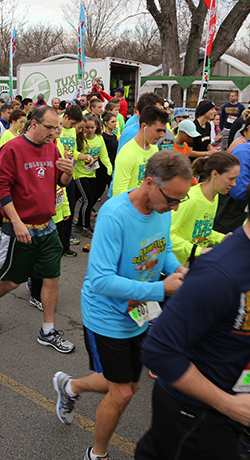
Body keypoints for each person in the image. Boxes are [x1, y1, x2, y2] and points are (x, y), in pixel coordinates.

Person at [136, 161, 250, 460]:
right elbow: (159, 352)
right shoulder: (218, 274)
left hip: (235, 405)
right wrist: (226, 403)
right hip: (194, 416)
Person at [52, 151, 191, 460]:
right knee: (122, 391)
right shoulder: (115, 214)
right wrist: (160, 288)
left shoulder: (163, 208)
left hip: (140, 311)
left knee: (128, 386)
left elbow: (162, 249)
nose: (175, 207)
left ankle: (70, 386)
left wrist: (177, 268)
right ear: (150, 182)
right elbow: (100, 280)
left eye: (181, 200)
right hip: (107, 315)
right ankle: (97, 454)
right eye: (172, 199)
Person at [0, 105, 77, 352]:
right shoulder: (12, 148)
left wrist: (68, 173)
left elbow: (58, 182)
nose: (55, 133)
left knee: (52, 279)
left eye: (57, 128)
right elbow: (1, 188)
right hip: (21, 228)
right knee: (12, 282)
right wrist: (17, 222)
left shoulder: (52, 148)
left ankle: (48, 330)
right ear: (33, 124)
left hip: (48, 227)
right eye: (50, 128)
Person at [170, 152, 239, 265]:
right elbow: (167, 234)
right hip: (173, 267)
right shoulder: (190, 200)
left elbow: (200, 231)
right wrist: (197, 250)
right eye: (230, 179)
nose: (234, 184)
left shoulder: (214, 196)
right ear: (215, 174)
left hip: (191, 263)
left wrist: (221, 238)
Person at [111, 105, 169, 197]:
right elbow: (119, 194)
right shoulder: (127, 153)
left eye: (163, 131)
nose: (162, 135)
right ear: (144, 126)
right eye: (158, 130)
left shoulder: (154, 148)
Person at [73, 115, 112, 238]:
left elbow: (104, 156)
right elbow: (74, 153)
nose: (89, 130)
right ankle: (85, 226)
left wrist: (109, 168)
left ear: (97, 127)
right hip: (80, 173)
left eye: (92, 127)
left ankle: (80, 223)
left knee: (90, 199)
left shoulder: (99, 139)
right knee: (88, 199)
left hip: (92, 173)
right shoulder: (79, 138)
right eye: (87, 128)